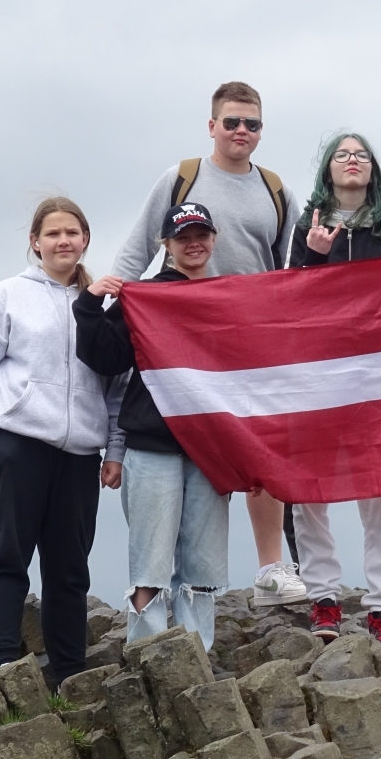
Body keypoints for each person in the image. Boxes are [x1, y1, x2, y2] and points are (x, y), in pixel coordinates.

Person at [112, 82, 307, 611]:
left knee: (262, 446)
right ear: (212, 126)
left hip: (254, 337)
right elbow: (136, 251)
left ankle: (271, 568)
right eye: (232, 122)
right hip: (188, 339)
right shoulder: (183, 178)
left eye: (252, 124)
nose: (241, 132)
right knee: (193, 461)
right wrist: (106, 304)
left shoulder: (275, 189)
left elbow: (290, 266)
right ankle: (161, 595)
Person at [0, 196, 123, 687]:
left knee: (69, 568)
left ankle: (70, 672)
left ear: (85, 239)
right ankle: (4, 666)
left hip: (79, 454)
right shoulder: (8, 294)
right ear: (35, 243)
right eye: (53, 233)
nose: (63, 240)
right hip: (14, 441)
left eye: (72, 232)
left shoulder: (104, 302)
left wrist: (115, 450)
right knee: (9, 556)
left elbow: (117, 385)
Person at [77, 203, 230, 649]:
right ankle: (149, 657)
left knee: (203, 566)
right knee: (150, 563)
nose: (194, 243)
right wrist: (89, 306)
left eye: (201, 234)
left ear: (215, 239)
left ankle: (196, 659)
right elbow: (105, 357)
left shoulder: (229, 297)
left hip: (210, 451)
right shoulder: (144, 297)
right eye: (183, 237)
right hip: (151, 445)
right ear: (166, 245)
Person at [286, 133, 381, 647]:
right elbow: (291, 300)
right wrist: (315, 258)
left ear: (373, 170)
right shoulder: (306, 227)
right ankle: (324, 596)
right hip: (317, 374)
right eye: (343, 154)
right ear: (328, 170)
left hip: (375, 376)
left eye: (361, 154)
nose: (353, 160)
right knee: (309, 486)